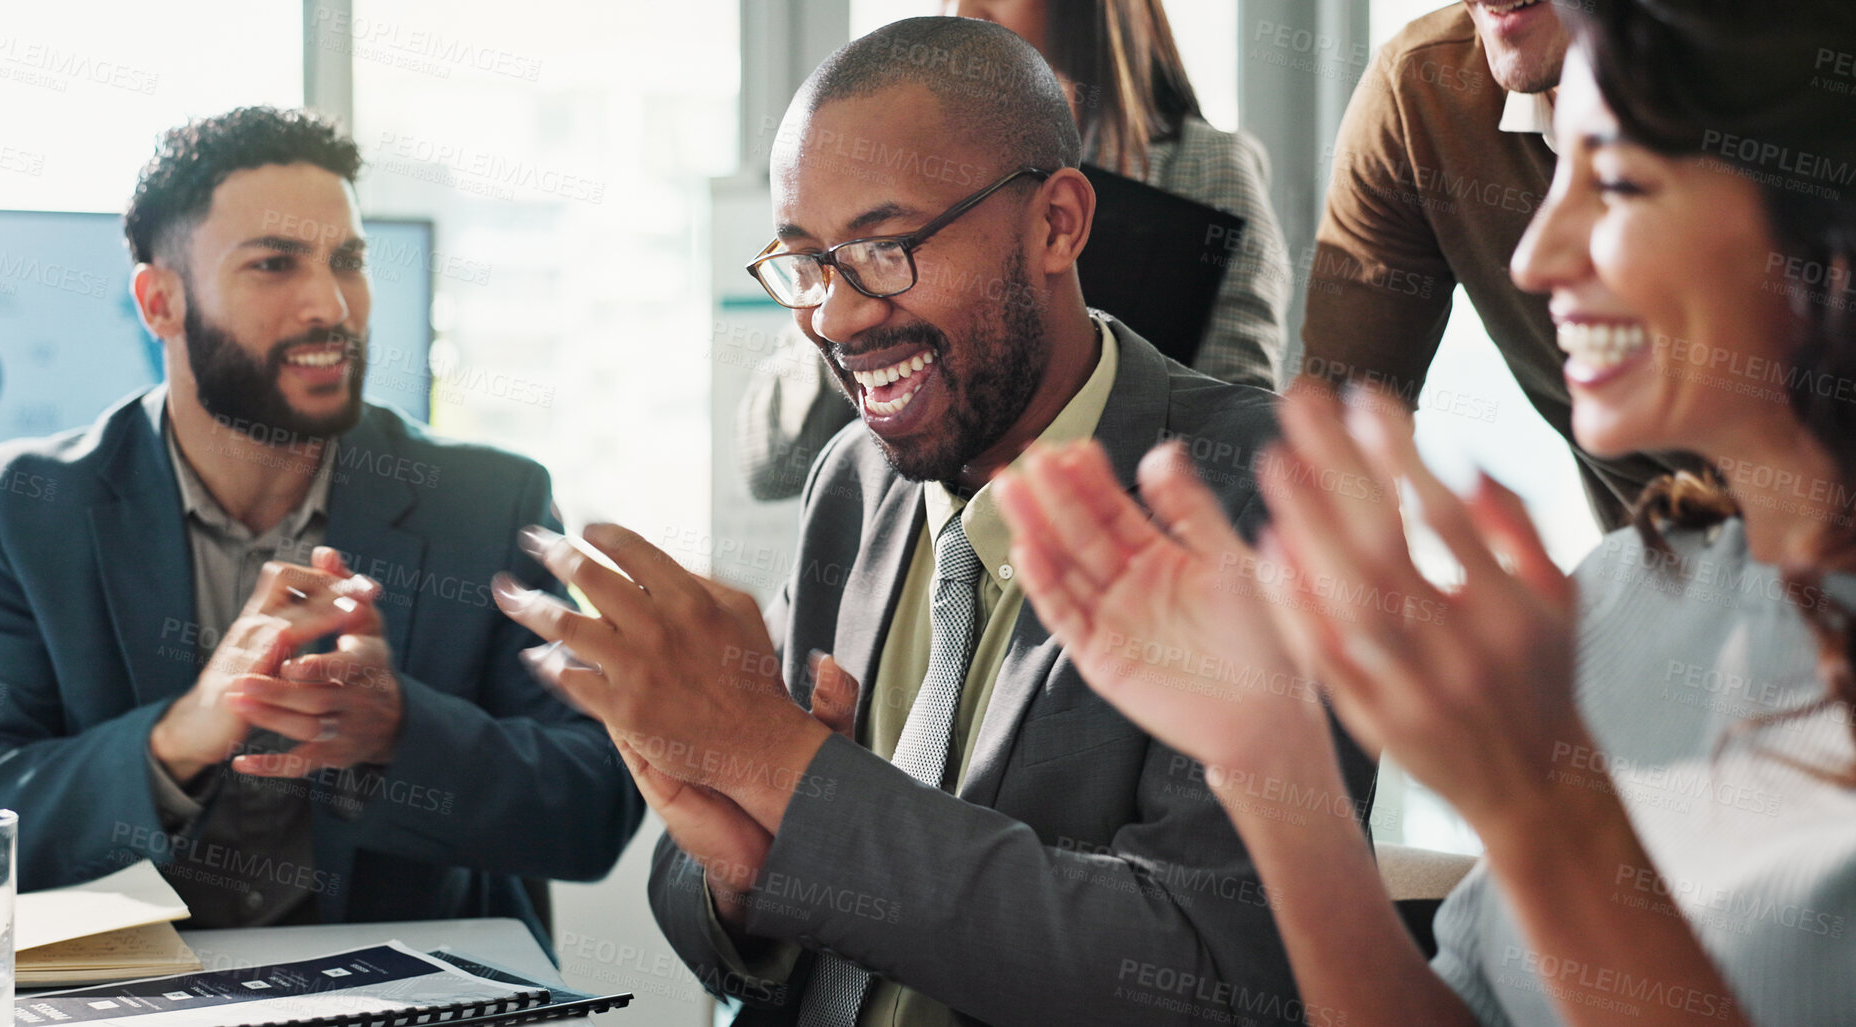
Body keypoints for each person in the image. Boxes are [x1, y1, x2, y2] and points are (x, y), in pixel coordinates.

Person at [495, 17, 1372, 1026]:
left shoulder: (1264, 492)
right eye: (807, 263)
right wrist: (746, 877)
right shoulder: (854, 482)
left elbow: (1213, 972)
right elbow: (712, 898)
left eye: (883, 247)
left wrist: (792, 778)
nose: (833, 316)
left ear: (1057, 224)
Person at [1001, 1, 1856, 1023]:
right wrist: (1275, 764)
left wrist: (1542, 812)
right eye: (1557, 166)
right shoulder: (1625, 598)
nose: (1535, 260)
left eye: (1618, 181)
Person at [0, 107, 643, 938]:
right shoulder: (38, 501)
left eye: (349, 260)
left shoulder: (487, 498)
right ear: (160, 303)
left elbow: (595, 807)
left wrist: (396, 732)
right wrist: (174, 739)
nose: (331, 305)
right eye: (274, 264)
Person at [736, 0, 1292, 502]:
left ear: (1060, 220)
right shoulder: (856, 211)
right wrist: (841, 265)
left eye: (888, 244)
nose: (965, 7)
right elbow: (771, 463)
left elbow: (1231, 434)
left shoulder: (1204, 168)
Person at [1300, 0, 1703, 531]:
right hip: (1659, 579)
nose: (1531, 265)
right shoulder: (1421, 91)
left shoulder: (1785, 84)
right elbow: (1338, 439)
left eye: (1619, 181)